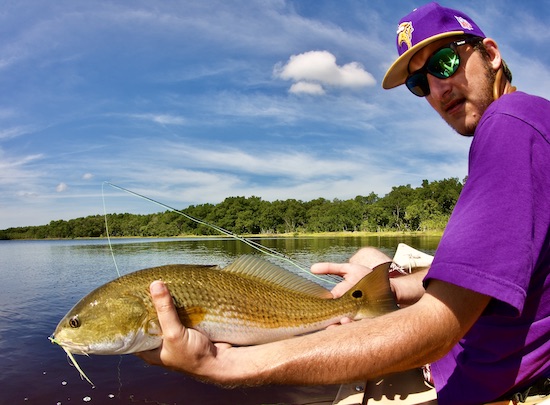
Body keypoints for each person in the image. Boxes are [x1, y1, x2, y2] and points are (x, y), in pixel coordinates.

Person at [137, 3, 550, 404]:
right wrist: (391, 286)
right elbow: (503, 270)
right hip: (475, 356)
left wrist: (226, 364)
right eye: (419, 83)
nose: (437, 89)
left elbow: (436, 330)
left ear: (491, 55)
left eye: (444, 63)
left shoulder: (509, 126)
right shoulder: (529, 121)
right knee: (369, 258)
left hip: (470, 377)